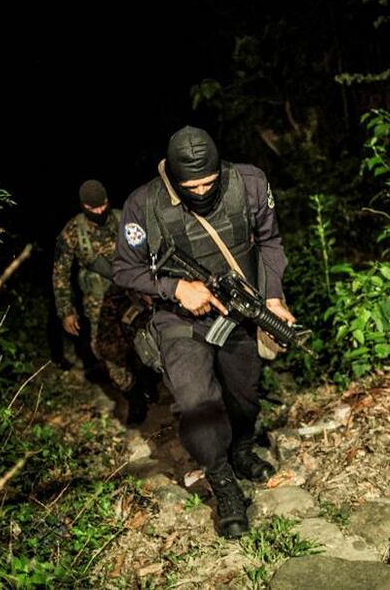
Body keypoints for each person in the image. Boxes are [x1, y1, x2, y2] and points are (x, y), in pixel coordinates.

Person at [113, 125, 294, 538]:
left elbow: (269, 242)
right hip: (178, 318)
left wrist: (273, 297)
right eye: (190, 185)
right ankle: (222, 479)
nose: (200, 191)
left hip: (239, 310)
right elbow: (125, 269)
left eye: (208, 182)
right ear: (173, 177)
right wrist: (175, 288)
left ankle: (243, 448)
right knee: (198, 402)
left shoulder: (249, 183)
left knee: (243, 391)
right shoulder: (144, 205)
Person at [53, 180, 149, 425]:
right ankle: (133, 395)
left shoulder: (123, 220)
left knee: (146, 341)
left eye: (102, 205)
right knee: (106, 350)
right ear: (83, 206)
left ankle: (148, 381)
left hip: (132, 295)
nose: (98, 212)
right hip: (97, 303)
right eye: (92, 208)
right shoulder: (73, 231)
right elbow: (60, 273)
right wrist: (66, 311)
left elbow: (148, 253)